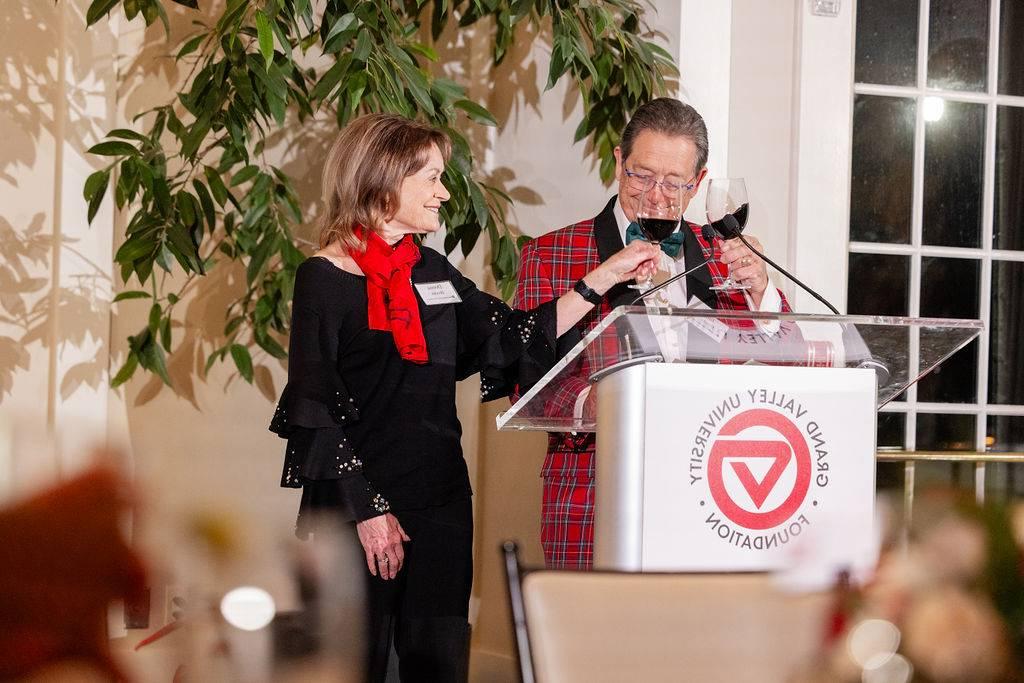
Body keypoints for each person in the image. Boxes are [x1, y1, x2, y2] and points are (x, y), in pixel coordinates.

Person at [268, 113, 658, 682]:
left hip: (441, 503)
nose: (443, 192)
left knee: (437, 661)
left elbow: (514, 337)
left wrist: (603, 277)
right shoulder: (322, 279)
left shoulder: (433, 271)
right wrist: (369, 511)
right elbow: (316, 406)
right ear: (382, 179)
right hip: (357, 509)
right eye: (430, 177)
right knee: (353, 663)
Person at [513, 98, 791, 570]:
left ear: (699, 182)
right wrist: (604, 403)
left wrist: (763, 290)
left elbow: (787, 359)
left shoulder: (723, 251)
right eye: (641, 175)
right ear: (619, 162)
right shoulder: (552, 253)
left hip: (713, 498)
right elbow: (525, 380)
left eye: (675, 183)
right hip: (593, 493)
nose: (657, 196)